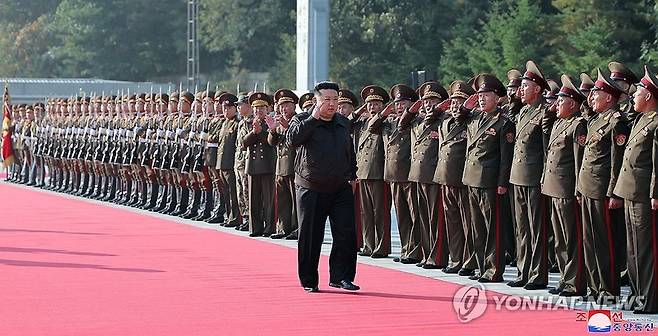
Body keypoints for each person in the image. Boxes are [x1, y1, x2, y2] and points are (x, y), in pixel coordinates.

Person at [287, 81, 359, 293]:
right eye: (326, 99)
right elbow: (292, 140)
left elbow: (349, 150)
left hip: (340, 186)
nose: (331, 104)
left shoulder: (343, 122)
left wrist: (353, 175)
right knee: (310, 235)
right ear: (316, 101)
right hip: (311, 187)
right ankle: (309, 279)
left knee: (346, 233)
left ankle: (342, 277)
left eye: (335, 99)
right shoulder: (302, 120)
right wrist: (313, 119)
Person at [613, 65, 658, 314]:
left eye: (639, 90)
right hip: (629, 191)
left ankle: (649, 298)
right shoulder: (641, 119)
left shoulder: (656, 123)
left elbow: (656, 163)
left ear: (649, 95)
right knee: (632, 249)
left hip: (643, 194)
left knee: (645, 248)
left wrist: (655, 193)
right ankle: (637, 293)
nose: (633, 95)